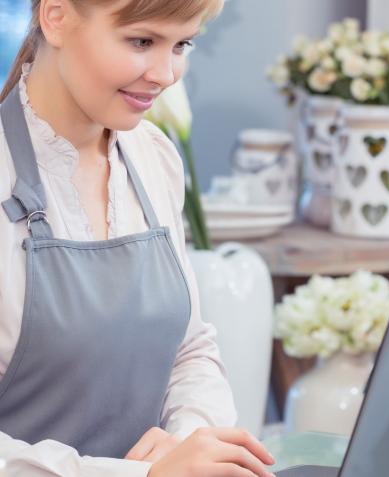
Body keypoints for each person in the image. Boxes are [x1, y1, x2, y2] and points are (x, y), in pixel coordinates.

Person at [0, 1, 276, 476]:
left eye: (182, 44)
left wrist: (188, 442)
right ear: (57, 16)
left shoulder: (153, 157)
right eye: (142, 41)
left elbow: (189, 351)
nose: (167, 74)